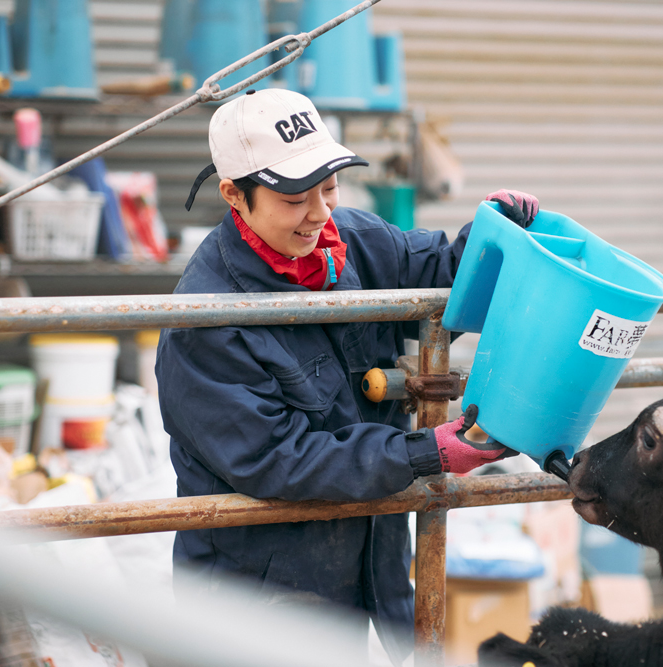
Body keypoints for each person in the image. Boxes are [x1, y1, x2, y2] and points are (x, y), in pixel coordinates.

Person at [155, 88, 539, 665]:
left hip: (364, 566)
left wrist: (489, 241)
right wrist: (421, 453)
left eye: (328, 187)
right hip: (256, 598)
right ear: (234, 193)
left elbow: (436, 272)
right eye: (293, 196)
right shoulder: (206, 320)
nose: (319, 213)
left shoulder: (350, 241)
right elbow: (277, 458)